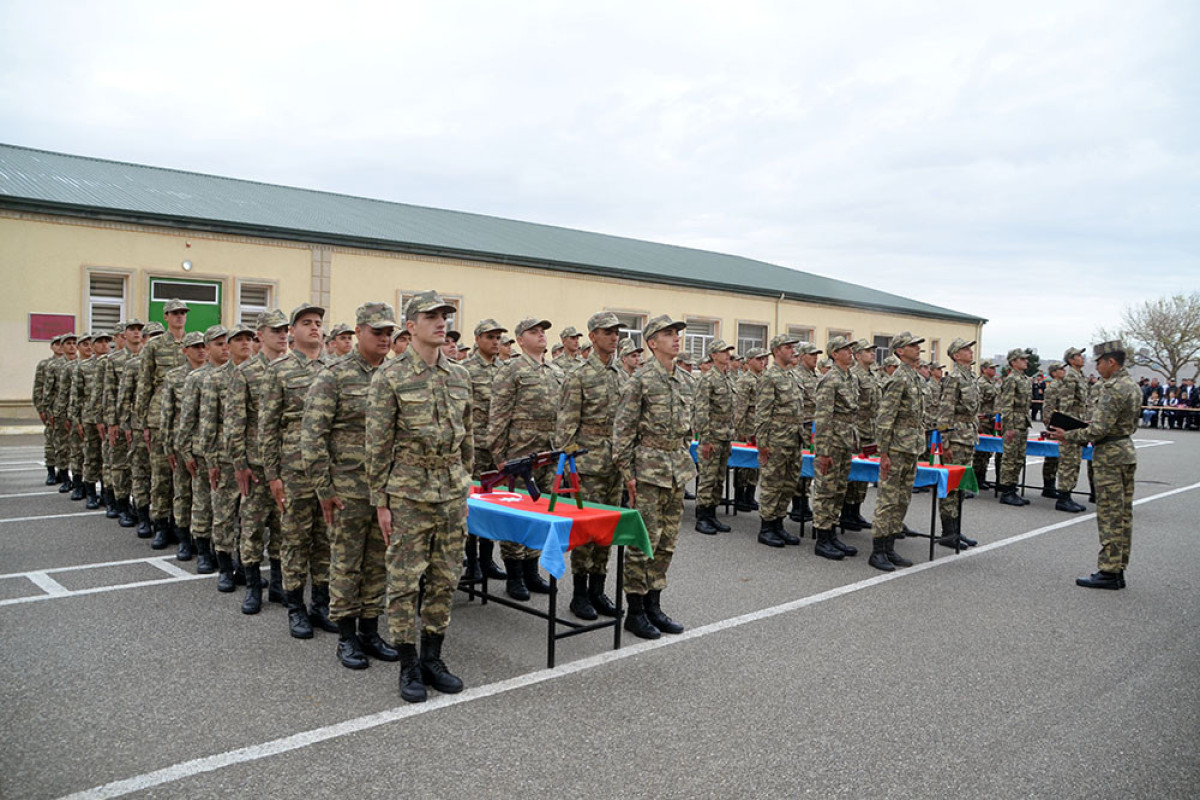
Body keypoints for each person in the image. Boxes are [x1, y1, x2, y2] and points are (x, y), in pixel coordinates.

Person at [366, 290, 472, 703]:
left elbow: (468, 437)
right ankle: (408, 662)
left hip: (450, 491)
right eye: (431, 316)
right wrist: (381, 502)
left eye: (444, 315)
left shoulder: (459, 375)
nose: (441, 322)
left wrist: (465, 482)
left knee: (446, 577)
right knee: (406, 581)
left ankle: (433, 657)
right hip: (408, 493)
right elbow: (378, 445)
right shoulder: (390, 377)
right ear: (410, 327)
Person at [302, 302, 401, 669]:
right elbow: (313, 437)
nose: (385, 339)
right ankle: (346, 637)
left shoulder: (396, 374)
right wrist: (324, 489)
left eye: (389, 333)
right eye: (377, 332)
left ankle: (370, 631)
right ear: (358, 332)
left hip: (387, 491)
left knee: (378, 563)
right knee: (345, 563)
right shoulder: (334, 376)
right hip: (347, 490)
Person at [614, 315, 695, 639]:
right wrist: (628, 475)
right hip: (647, 472)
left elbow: (688, 429)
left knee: (666, 543)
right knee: (642, 542)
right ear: (651, 342)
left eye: (677, 333)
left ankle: (654, 604)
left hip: (675, 469)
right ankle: (634, 611)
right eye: (668, 334)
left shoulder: (686, 380)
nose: (676, 338)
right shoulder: (640, 380)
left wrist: (681, 454)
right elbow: (622, 432)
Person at [260, 303, 332, 639]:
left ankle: (321, 604)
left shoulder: (335, 368)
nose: (314, 328)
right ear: (293, 331)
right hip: (294, 471)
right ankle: (295, 608)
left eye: (318, 323)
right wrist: (273, 475)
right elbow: (268, 427)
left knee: (325, 540)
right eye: (307, 323)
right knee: (294, 541)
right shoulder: (280, 370)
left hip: (330, 472)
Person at [1046, 341, 1140, 589]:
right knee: (1122, 515)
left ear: (1111, 362)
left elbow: (1098, 430)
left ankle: (1109, 571)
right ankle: (1118, 568)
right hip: (1124, 451)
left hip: (1110, 455)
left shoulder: (1113, 388)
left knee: (1110, 514)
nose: (1095, 366)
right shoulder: (1131, 384)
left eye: (1098, 361)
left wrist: (1067, 435)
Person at [487, 317, 563, 600]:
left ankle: (532, 569)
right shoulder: (511, 370)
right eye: (534, 331)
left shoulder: (555, 370)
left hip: (548, 453)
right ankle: (515, 574)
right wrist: (498, 455)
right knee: (517, 514)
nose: (541, 335)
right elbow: (498, 414)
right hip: (519, 454)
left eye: (543, 331)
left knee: (540, 511)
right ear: (520, 339)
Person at [555, 311, 624, 620]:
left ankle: (598, 589)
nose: (614, 337)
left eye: (616, 332)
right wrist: (570, 464)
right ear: (593, 336)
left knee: (607, 529)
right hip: (587, 463)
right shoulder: (579, 375)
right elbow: (566, 425)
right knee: (586, 531)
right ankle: (579, 594)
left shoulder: (622, 374)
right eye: (607, 332)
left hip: (614, 463)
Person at [227, 309, 289, 609]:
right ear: (260, 335)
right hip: (256, 465)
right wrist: (239, 464)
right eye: (275, 330)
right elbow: (235, 422)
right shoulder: (246, 372)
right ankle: (253, 586)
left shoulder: (293, 369)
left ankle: (278, 585)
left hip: (288, 465)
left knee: (282, 527)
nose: (282, 335)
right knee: (252, 526)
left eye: (284, 330)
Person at [201, 324, 255, 592]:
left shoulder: (264, 374)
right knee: (223, 515)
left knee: (250, 518)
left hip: (255, 459)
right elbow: (208, 423)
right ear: (229, 346)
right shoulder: (216, 378)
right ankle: (224, 567)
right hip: (224, 458)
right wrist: (210, 460)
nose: (245, 344)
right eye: (238, 340)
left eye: (249, 339)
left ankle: (246, 567)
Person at [870, 332, 926, 571]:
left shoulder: (914, 377)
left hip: (911, 446)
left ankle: (890, 547)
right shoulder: (898, 379)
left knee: (902, 498)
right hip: (895, 448)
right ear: (900, 351)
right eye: (913, 345)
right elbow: (885, 418)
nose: (918, 348)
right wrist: (883, 453)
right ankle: (878, 551)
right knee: (888, 499)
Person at [461, 319, 509, 583]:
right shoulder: (466, 370)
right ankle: (472, 561)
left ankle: (488, 558)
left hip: (497, 450)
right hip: (475, 447)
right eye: (490, 337)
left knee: (493, 504)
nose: (495, 342)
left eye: (498, 337)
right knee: (473, 505)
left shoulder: (504, 370)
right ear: (478, 339)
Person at [810, 336, 860, 560]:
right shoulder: (830, 379)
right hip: (831, 444)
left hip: (845, 441)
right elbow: (823, 418)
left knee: (839, 490)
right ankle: (822, 538)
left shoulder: (850, 378)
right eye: (845, 349)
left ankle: (832, 533)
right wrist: (823, 451)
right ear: (834, 354)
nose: (850, 352)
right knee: (825, 490)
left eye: (851, 349)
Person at [160, 332, 208, 565]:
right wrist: (169, 445)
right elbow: (167, 413)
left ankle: (203, 541)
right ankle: (184, 540)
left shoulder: (213, 374)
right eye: (195, 347)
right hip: (183, 442)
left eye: (203, 346)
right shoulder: (174, 376)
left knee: (204, 498)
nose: (201, 350)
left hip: (206, 445)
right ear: (185, 350)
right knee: (182, 492)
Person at [753, 334, 805, 548]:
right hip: (776, 439)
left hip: (793, 439)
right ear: (776, 351)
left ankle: (779, 524)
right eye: (787, 347)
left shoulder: (792, 375)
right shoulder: (770, 376)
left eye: (793, 347)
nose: (792, 350)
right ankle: (766, 527)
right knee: (772, 484)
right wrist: (763, 444)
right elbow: (763, 412)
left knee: (788, 484)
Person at [934, 337, 981, 549]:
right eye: (965, 349)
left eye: (970, 349)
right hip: (955, 437)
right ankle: (947, 533)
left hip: (968, 435)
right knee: (951, 486)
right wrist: (946, 442)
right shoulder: (953, 378)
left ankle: (956, 529)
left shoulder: (970, 376)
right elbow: (945, 412)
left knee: (961, 485)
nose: (970, 352)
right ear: (956, 355)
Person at [693, 339, 736, 535]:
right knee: (707, 478)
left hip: (725, 436)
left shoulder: (728, 377)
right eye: (723, 352)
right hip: (712, 436)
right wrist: (706, 440)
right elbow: (701, 411)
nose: (727, 355)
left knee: (719, 477)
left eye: (728, 352)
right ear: (713, 355)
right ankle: (702, 516)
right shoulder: (707, 379)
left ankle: (712, 514)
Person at [842, 339, 879, 532]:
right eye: (867, 351)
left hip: (870, 429)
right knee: (853, 474)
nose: (872, 354)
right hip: (857, 428)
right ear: (857, 356)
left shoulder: (872, 375)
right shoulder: (854, 375)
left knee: (863, 475)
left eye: (873, 351)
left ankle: (856, 510)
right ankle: (846, 512)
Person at [1052, 347, 1090, 513]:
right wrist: (1065, 432)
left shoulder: (1079, 376)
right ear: (1071, 360)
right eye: (1078, 356)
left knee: (1074, 461)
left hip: (1077, 424)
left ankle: (1068, 495)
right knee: (1068, 462)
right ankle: (1063, 498)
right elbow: (1065, 407)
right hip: (1070, 427)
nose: (1082, 358)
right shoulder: (1070, 378)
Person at [732, 347, 767, 512]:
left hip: (760, 427)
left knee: (755, 464)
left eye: (764, 359)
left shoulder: (763, 378)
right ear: (750, 361)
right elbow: (740, 407)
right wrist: (739, 430)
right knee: (744, 464)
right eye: (759, 359)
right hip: (747, 427)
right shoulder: (745, 380)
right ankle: (740, 496)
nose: (763, 362)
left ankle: (750, 495)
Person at [997, 348, 1034, 506]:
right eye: (1022, 359)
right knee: (1009, 458)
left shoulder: (1024, 379)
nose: (1026, 361)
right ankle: (1006, 491)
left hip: (1022, 422)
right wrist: (1009, 427)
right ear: (1013, 362)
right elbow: (1006, 405)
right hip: (1014, 423)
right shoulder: (1012, 379)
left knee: (1019, 458)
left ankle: (1013, 488)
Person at [971, 361, 1001, 490]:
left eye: (995, 368)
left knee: (988, 451)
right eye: (991, 368)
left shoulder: (994, 383)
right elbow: (977, 402)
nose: (994, 370)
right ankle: (977, 478)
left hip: (992, 421)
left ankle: (982, 476)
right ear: (984, 369)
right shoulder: (981, 383)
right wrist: (977, 421)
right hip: (983, 420)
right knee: (980, 452)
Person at [1038, 361, 1066, 498]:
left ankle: (1052, 484)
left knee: (1059, 457)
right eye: (1061, 369)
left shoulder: (1064, 386)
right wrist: (1050, 426)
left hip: (1064, 424)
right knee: (1051, 457)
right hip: (1055, 424)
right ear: (1054, 373)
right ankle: (1048, 486)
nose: (1063, 371)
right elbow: (1048, 408)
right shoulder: (1053, 387)